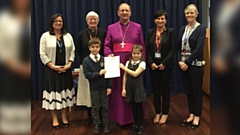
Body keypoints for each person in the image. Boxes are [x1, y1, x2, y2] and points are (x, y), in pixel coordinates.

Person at [104, 2, 145, 125]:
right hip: (117, 63)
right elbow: (106, 45)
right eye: (122, 10)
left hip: (133, 62)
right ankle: (119, 118)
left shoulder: (137, 27)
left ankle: (134, 119)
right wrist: (109, 54)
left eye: (127, 10)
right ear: (118, 13)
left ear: (130, 12)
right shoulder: (111, 27)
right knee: (119, 90)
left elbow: (142, 45)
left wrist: (142, 62)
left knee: (133, 89)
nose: (124, 13)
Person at [39, 13, 75, 129]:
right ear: (52, 23)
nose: (58, 23)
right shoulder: (45, 36)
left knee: (65, 94)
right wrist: (53, 66)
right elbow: (42, 54)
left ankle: (64, 117)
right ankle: (54, 118)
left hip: (66, 70)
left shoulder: (68, 36)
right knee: (53, 95)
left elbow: (72, 52)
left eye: (60, 21)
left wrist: (69, 64)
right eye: (56, 21)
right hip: (52, 70)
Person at [177, 4, 206, 129]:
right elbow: (178, 46)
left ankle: (197, 116)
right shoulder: (183, 29)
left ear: (196, 14)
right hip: (183, 65)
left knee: (196, 92)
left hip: (194, 65)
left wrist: (186, 62)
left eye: (192, 13)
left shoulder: (201, 28)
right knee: (188, 92)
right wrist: (179, 61)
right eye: (187, 13)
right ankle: (191, 114)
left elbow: (199, 48)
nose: (189, 15)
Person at [76, 11, 106, 126]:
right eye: (90, 19)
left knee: (100, 92)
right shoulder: (81, 34)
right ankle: (89, 115)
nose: (93, 21)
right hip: (87, 66)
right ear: (87, 21)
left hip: (101, 66)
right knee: (88, 92)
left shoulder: (103, 33)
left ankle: (101, 117)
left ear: (98, 21)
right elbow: (79, 49)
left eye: (95, 19)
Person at [146, 10, 176, 125]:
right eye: (158, 19)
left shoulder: (171, 32)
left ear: (166, 20)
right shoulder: (150, 32)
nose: (160, 21)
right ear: (154, 20)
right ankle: (157, 112)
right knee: (156, 90)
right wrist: (151, 63)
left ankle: (165, 113)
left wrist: (164, 63)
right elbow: (147, 49)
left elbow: (172, 49)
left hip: (166, 66)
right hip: (153, 66)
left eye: (162, 19)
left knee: (165, 90)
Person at [82, 38, 112, 134]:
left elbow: (109, 75)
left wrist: (109, 87)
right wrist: (98, 73)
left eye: (97, 47)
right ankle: (96, 124)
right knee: (96, 107)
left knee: (105, 107)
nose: (95, 49)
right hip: (94, 88)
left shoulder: (104, 59)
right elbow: (87, 75)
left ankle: (106, 124)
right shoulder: (86, 61)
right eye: (93, 47)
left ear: (100, 48)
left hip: (104, 88)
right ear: (89, 48)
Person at [119, 44, 146, 135]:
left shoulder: (142, 63)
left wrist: (123, 68)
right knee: (133, 107)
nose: (136, 55)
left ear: (141, 54)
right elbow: (125, 76)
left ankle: (140, 125)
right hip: (130, 88)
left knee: (139, 107)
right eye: (134, 53)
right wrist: (124, 89)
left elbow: (135, 74)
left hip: (138, 88)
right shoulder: (128, 63)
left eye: (138, 53)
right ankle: (135, 123)